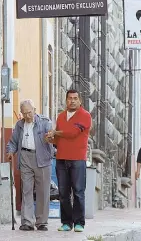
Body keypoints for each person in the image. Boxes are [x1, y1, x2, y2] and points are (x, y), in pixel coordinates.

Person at [45, 89, 92, 233]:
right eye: (69, 98)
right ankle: (66, 222)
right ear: (66, 100)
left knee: (78, 192)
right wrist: (50, 138)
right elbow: (58, 140)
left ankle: (79, 223)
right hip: (61, 159)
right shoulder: (60, 117)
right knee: (64, 193)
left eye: (75, 98)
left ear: (80, 101)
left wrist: (55, 132)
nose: (72, 100)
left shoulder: (85, 116)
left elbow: (73, 133)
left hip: (78, 159)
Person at [7, 99, 54, 231]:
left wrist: (50, 138)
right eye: (24, 113)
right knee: (26, 190)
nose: (27, 115)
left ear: (34, 110)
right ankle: (27, 222)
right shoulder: (19, 125)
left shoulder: (45, 122)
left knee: (43, 191)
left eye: (29, 112)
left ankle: (41, 222)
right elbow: (13, 142)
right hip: (25, 158)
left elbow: (52, 137)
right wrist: (10, 151)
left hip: (42, 158)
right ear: (21, 113)